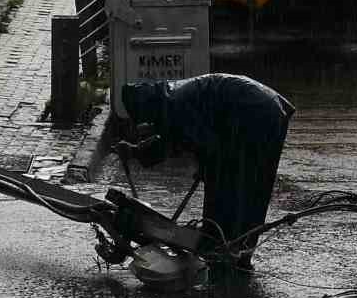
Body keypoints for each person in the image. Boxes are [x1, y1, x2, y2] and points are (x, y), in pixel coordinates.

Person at [119, 74, 295, 275]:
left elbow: (202, 145)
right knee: (253, 186)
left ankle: (224, 251)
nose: (144, 124)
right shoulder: (170, 100)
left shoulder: (175, 104)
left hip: (252, 112)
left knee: (232, 182)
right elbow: (174, 140)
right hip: (269, 108)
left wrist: (205, 165)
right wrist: (136, 151)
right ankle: (236, 253)